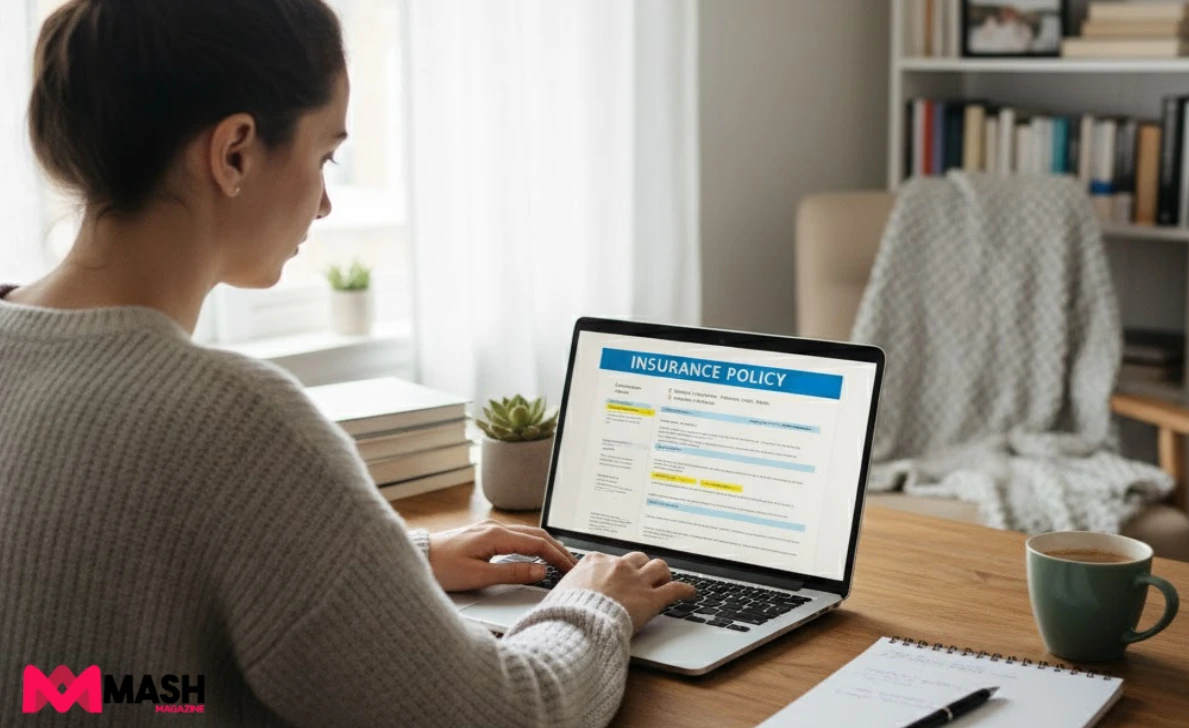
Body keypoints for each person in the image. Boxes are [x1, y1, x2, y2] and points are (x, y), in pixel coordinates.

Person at [0, 1, 693, 725]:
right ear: (234, 151)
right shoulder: (235, 422)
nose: (326, 202)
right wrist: (594, 602)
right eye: (323, 154)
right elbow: (508, 715)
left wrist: (393, 568)